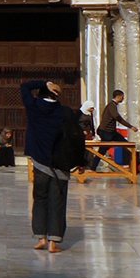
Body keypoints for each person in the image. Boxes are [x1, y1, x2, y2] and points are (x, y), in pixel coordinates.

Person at [23, 78, 83, 253]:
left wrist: (44, 83)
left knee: (40, 200)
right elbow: (76, 137)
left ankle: (41, 238)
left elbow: (24, 86)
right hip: (59, 166)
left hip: (40, 164)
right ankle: (53, 242)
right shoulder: (64, 112)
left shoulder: (34, 107)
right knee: (57, 202)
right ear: (57, 97)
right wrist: (80, 161)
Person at [98, 89, 137, 171]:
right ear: (118, 97)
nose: (123, 99)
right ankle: (92, 167)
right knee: (102, 150)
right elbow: (118, 118)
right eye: (122, 97)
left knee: (126, 145)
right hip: (106, 132)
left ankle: (131, 165)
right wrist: (131, 126)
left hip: (111, 132)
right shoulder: (112, 105)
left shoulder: (112, 105)